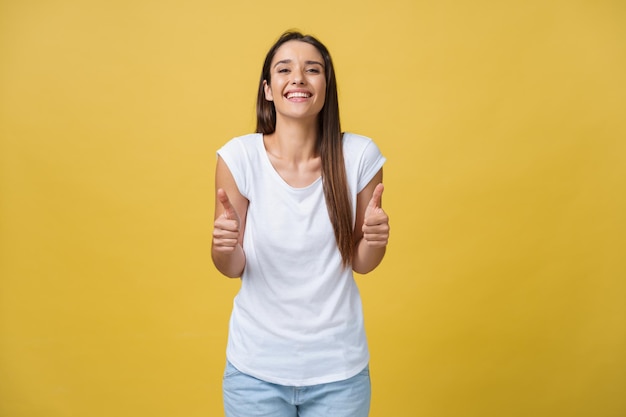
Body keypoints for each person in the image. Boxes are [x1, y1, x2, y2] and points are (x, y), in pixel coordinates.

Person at [212, 30, 389, 417]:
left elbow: (362, 261)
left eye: (313, 70)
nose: (298, 78)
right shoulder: (238, 156)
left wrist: (375, 239)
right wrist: (224, 247)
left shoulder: (359, 155)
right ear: (268, 90)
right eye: (284, 69)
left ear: (326, 87)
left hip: (339, 373)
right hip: (254, 373)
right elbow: (232, 267)